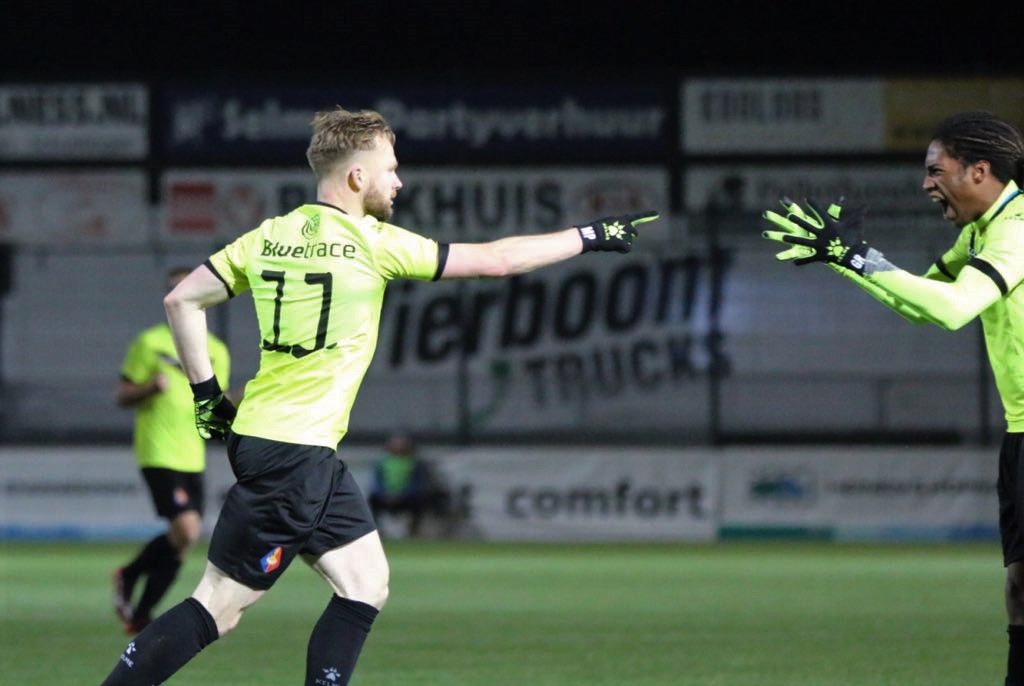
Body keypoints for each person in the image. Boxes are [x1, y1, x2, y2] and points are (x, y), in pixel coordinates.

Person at [98, 106, 658, 686]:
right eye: (390, 168)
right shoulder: (371, 242)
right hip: (294, 455)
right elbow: (496, 261)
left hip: (286, 446)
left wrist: (207, 396)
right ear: (357, 177)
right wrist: (590, 235)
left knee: (365, 584)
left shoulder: (269, 235)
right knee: (217, 607)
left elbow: (181, 302)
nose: (399, 181)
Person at [760, 110, 1024, 685]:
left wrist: (860, 259)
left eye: (936, 170)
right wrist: (845, 258)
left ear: (979, 171)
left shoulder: (1020, 227)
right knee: (1019, 585)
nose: (927, 183)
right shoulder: (981, 231)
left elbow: (953, 310)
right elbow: (917, 302)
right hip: (1021, 431)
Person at [111, 266, 231, 635]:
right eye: (174, 289)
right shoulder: (150, 342)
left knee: (182, 544)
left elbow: (215, 407)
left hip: (191, 455)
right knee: (188, 529)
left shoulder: (217, 351)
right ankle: (130, 576)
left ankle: (140, 611)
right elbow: (122, 395)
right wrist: (149, 387)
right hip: (158, 450)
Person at [368, 432, 441, 538]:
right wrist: (386, 494)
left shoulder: (414, 463)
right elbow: (377, 483)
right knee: (372, 499)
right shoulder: (383, 463)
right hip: (385, 497)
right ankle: (377, 531)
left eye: (402, 443)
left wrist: (401, 495)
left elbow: (418, 484)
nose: (399, 446)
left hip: (407, 497)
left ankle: (413, 531)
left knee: (420, 501)